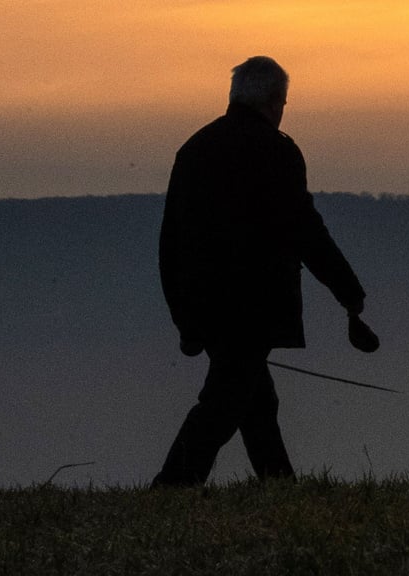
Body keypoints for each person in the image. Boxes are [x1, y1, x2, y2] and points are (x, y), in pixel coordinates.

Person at [153, 56, 377, 487]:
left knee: (255, 401)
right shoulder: (277, 152)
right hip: (254, 307)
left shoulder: (194, 149)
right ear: (274, 102)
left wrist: (183, 316)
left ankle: (279, 487)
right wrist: (349, 292)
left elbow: (170, 242)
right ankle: (169, 490)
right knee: (222, 405)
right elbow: (306, 232)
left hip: (204, 305)